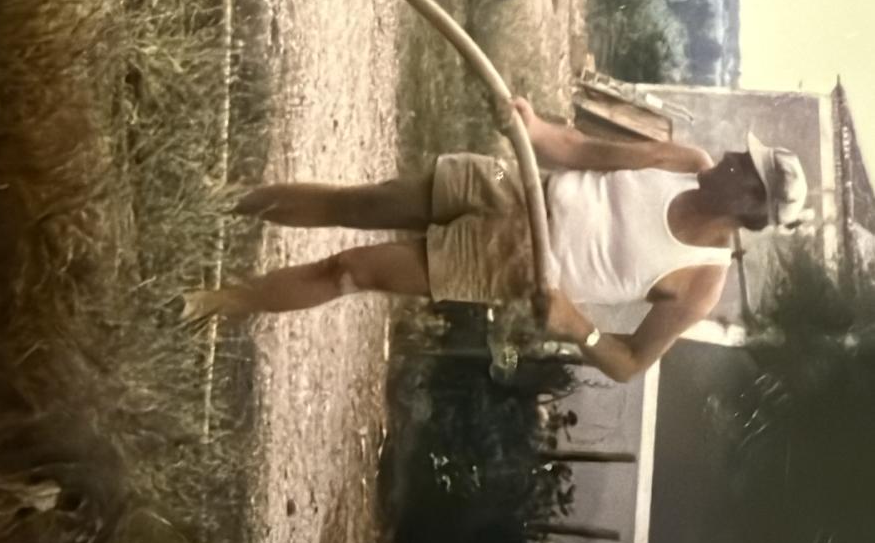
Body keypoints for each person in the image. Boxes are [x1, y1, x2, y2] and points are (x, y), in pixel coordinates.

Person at [183, 97, 808, 383]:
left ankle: (206, 303)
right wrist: (533, 129)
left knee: (350, 270)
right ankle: (220, 200)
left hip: (512, 263)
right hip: (512, 187)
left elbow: (630, 363)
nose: (731, 156)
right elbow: (580, 150)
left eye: (744, 168)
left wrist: (579, 328)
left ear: (752, 206)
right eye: (742, 154)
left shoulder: (699, 282)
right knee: (360, 202)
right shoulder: (686, 160)